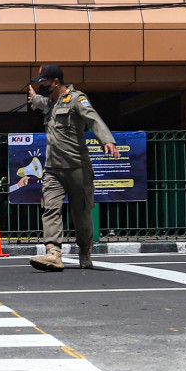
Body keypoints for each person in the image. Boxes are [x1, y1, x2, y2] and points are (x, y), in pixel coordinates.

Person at [26, 64, 118, 271]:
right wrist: (34, 99)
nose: (42, 86)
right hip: (52, 170)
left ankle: (85, 250)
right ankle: (53, 253)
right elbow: (40, 102)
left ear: (56, 82)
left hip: (77, 168)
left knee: (81, 213)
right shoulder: (49, 101)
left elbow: (93, 119)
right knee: (50, 209)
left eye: (44, 82)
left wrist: (107, 140)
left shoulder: (76, 99)